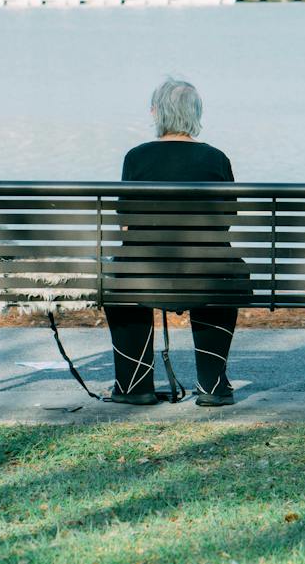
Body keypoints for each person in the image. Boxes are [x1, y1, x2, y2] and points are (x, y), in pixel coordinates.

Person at [103, 77, 240, 407]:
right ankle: (213, 385)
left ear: (157, 113)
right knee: (223, 270)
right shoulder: (216, 159)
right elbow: (226, 221)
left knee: (121, 277)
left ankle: (134, 385)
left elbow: (125, 224)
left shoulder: (136, 157)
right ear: (195, 113)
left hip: (143, 272)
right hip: (207, 273)